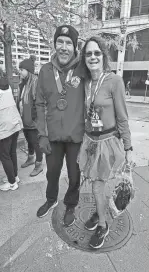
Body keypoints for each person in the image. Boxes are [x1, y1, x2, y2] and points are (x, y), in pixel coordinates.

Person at [77, 36, 133, 249]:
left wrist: (128, 147)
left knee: (97, 185)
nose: (92, 57)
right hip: (90, 141)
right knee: (95, 183)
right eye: (88, 53)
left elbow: (122, 116)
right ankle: (99, 211)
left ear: (103, 56)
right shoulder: (86, 82)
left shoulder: (114, 81)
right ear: (84, 57)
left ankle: (103, 225)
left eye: (96, 53)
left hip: (108, 143)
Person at [36, 25, 85, 226]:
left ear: (75, 47)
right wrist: (41, 134)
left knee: (75, 175)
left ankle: (71, 204)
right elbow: (39, 103)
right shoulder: (45, 71)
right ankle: (51, 199)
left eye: (68, 43)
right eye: (60, 42)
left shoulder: (83, 70)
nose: (64, 47)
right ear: (55, 45)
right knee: (52, 172)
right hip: (53, 137)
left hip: (76, 137)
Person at [18, 55, 43, 177]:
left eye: (22, 70)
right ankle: (30, 158)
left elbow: (39, 102)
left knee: (35, 142)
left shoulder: (35, 82)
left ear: (28, 70)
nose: (20, 72)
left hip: (33, 120)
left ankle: (39, 165)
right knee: (28, 140)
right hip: (25, 118)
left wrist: (34, 118)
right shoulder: (23, 83)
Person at [0, 69, 23, 191]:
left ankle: (12, 183)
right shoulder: (6, 83)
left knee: (4, 155)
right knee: (12, 152)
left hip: (4, 125)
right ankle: (14, 176)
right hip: (15, 121)